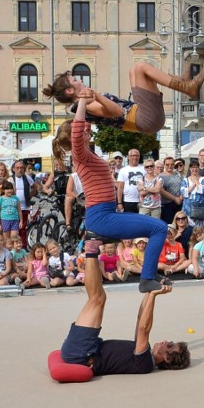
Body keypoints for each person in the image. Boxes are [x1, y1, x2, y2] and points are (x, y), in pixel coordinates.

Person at [58, 94, 169, 294]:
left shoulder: (87, 153)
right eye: (83, 128)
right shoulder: (79, 154)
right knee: (159, 228)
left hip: (106, 213)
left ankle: (150, 275)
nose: (87, 128)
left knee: (159, 227)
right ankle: (147, 278)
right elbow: (77, 130)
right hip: (101, 217)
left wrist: (91, 103)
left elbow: (85, 125)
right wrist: (82, 101)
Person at [58, 242, 190, 375]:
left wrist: (154, 294)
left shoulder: (145, 364)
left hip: (81, 354)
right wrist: (151, 291)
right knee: (99, 298)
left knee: (97, 299)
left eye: (170, 346)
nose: (166, 341)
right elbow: (140, 320)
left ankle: (91, 248)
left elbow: (144, 329)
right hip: (85, 348)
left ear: (167, 359)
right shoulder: (144, 353)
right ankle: (91, 249)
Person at [43, 61, 204, 137]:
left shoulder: (85, 103)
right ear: (71, 90)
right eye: (75, 80)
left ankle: (181, 82)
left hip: (142, 115)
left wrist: (96, 96)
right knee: (140, 68)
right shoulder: (83, 105)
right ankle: (185, 87)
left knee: (133, 70)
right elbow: (118, 111)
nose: (80, 80)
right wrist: (97, 95)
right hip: (143, 119)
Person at [10, 161, 37, 247]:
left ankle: (23, 247)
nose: (20, 170)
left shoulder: (27, 178)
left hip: (24, 207)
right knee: (14, 228)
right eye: (17, 168)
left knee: (23, 228)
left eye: (21, 168)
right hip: (13, 208)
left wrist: (30, 195)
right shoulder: (10, 179)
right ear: (14, 169)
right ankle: (13, 247)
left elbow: (35, 186)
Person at [158, 156, 183, 225]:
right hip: (167, 205)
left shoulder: (178, 174)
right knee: (169, 226)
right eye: (167, 164)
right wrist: (175, 199)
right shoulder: (160, 176)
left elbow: (184, 185)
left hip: (179, 203)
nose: (170, 166)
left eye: (172, 164)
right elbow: (161, 191)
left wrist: (181, 196)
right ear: (164, 165)